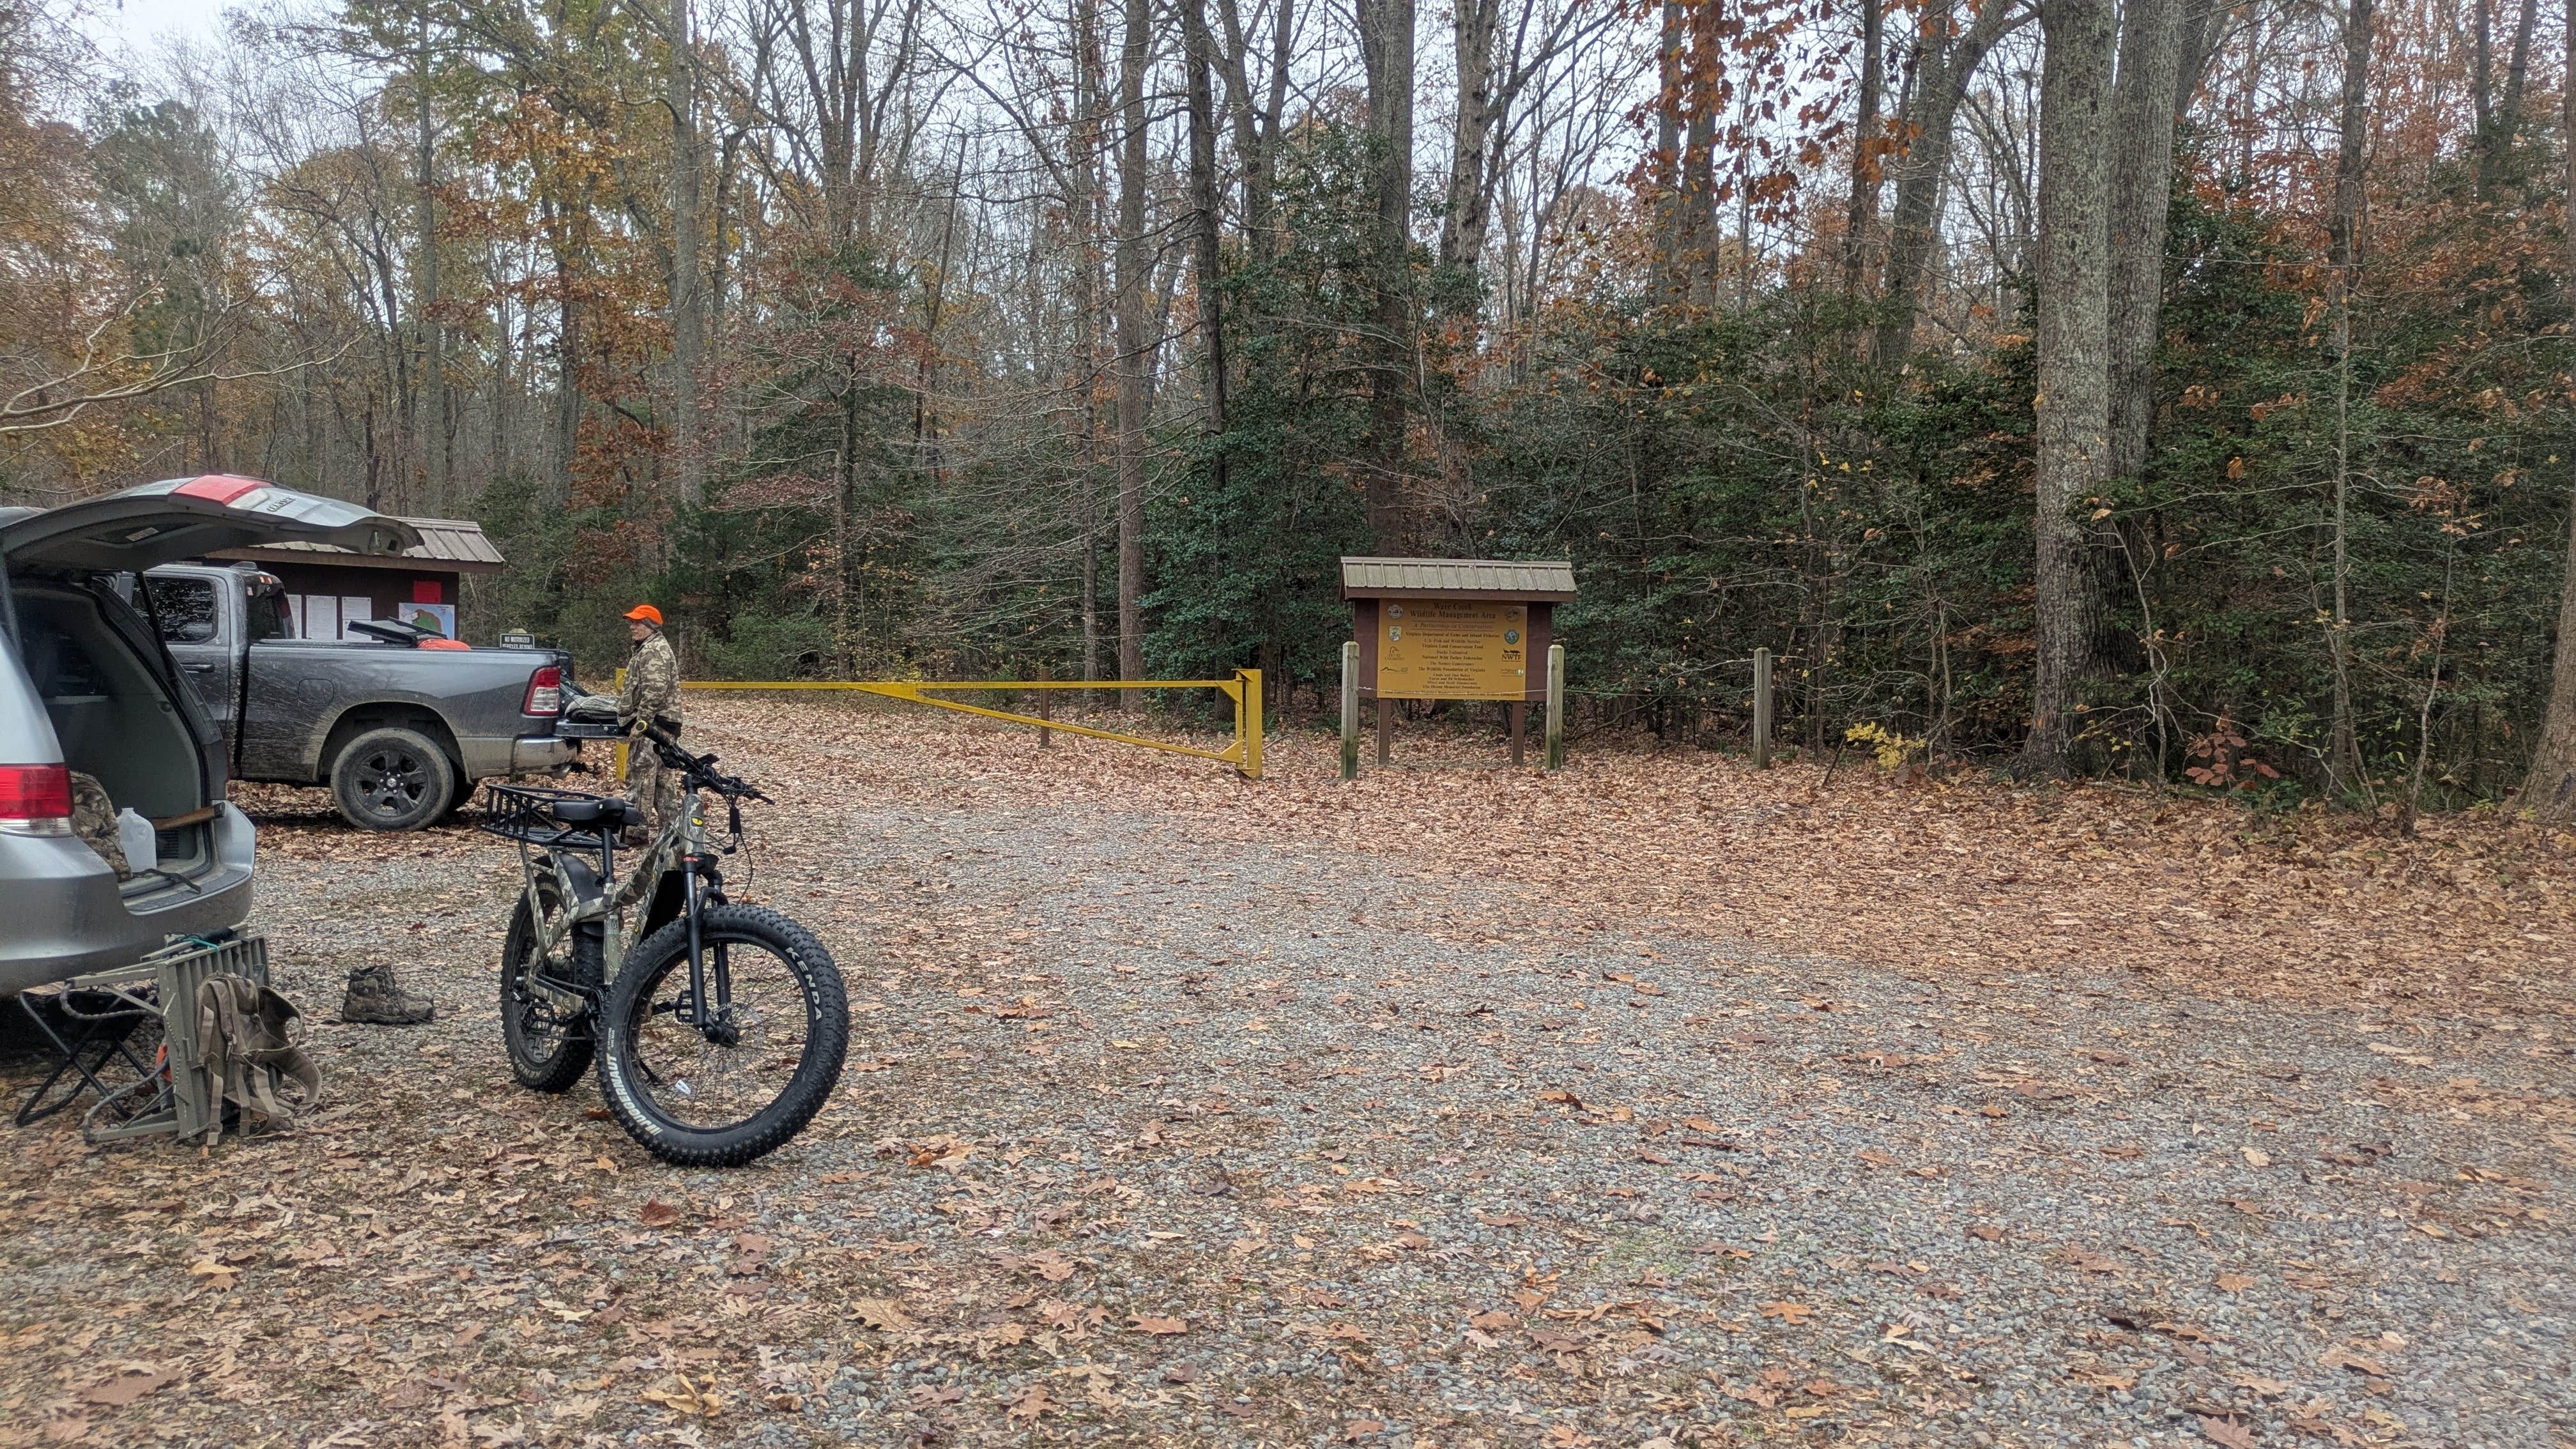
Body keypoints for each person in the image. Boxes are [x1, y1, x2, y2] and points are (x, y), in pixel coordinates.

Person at [618, 603, 684, 843]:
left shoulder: (653, 651)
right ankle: (675, 834)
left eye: (637, 622)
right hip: (664, 726)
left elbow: (655, 691)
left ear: (651, 626)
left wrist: (641, 725)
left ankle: (635, 833)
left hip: (654, 727)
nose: (632, 627)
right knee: (662, 785)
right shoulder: (649, 648)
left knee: (641, 778)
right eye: (632, 622)